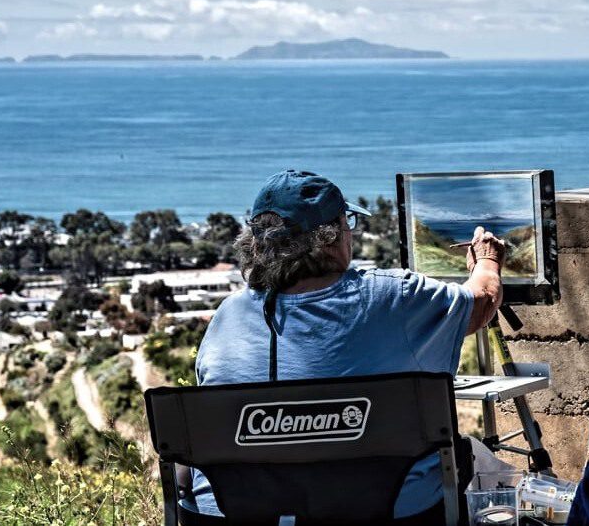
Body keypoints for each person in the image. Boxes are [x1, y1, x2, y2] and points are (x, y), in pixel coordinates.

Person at [188, 169, 507, 523]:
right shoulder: (393, 296)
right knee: (487, 466)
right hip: (389, 512)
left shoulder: (228, 315)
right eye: (347, 222)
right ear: (329, 237)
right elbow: (480, 304)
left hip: (234, 514)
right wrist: (488, 259)